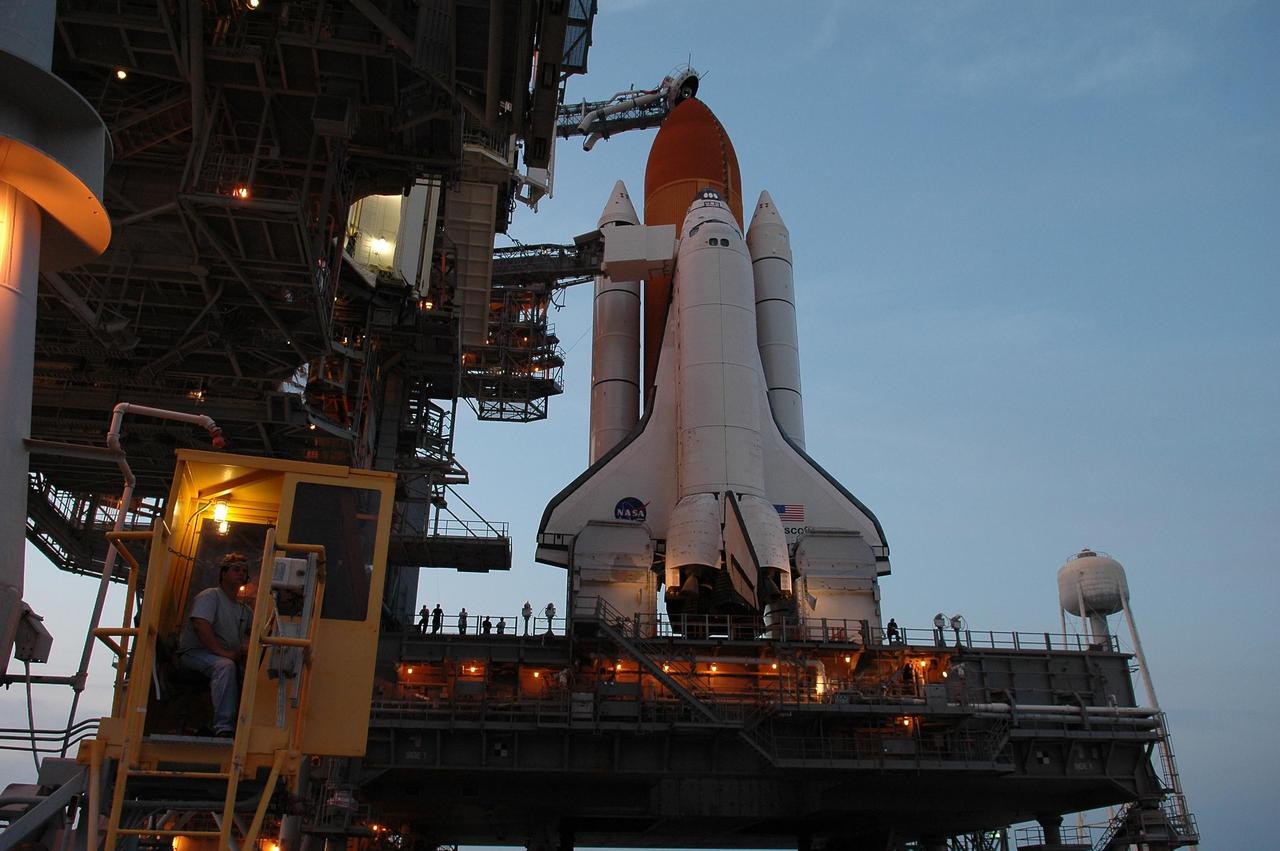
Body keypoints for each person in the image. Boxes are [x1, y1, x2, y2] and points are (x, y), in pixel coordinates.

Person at [177, 552, 253, 737]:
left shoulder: (245, 611)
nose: (241, 574)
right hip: (195, 653)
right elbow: (200, 624)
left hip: (222, 655)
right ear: (223, 573)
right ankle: (224, 727)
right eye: (236, 569)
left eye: (244, 571)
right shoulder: (210, 596)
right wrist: (223, 653)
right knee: (225, 666)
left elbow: (255, 635)